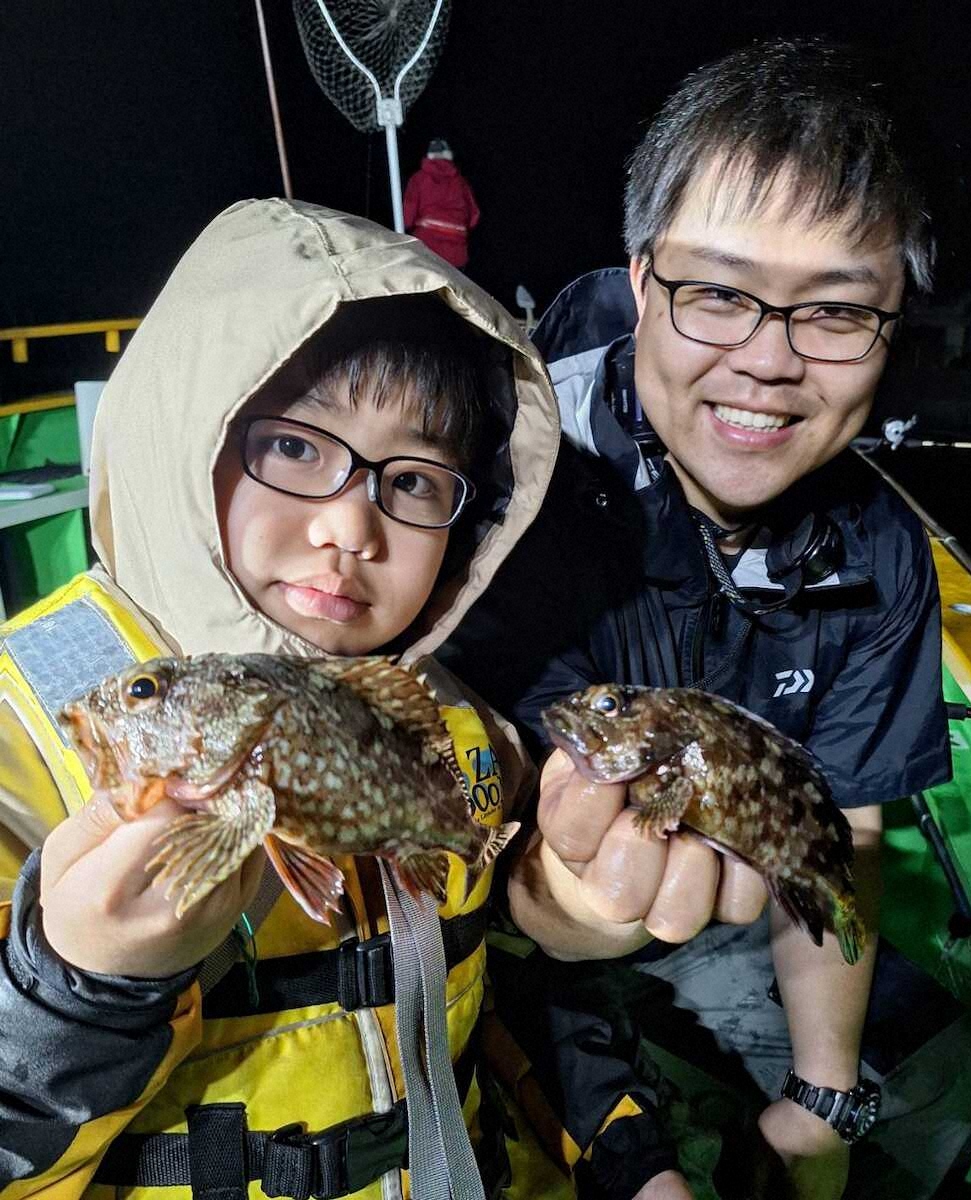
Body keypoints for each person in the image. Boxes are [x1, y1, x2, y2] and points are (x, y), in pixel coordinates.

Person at [442, 39, 971, 1200]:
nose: (768, 363)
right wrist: (578, 911)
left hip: (737, 890)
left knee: (932, 1096)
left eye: (838, 312)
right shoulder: (496, 497)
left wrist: (823, 1097)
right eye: (719, 293)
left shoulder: (879, 544)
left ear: (892, 326)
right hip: (498, 940)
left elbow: (852, 834)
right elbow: (495, 889)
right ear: (641, 282)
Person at [0, 198, 563, 1198]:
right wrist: (74, 990)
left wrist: (573, 910)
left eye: (417, 482)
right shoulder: (15, 728)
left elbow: (497, 963)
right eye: (296, 448)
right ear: (181, 434)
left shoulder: (460, 725)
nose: (352, 524)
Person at [404, 138, 481, 270]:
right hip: (456, 252)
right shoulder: (461, 182)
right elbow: (474, 216)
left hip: (427, 245)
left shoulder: (419, 178)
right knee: (453, 287)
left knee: (427, 285)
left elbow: (408, 215)